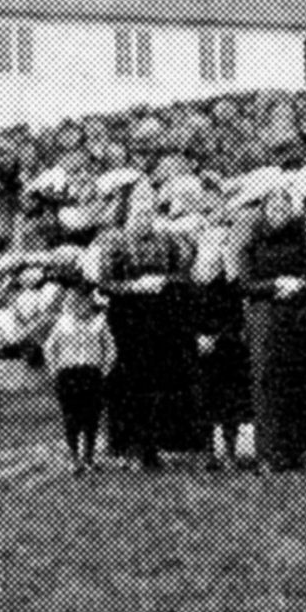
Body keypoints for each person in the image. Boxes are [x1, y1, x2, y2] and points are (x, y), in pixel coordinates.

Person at [84, 196, 193, 469]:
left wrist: (163, 280)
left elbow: (184, 276)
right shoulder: (113, 242)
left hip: (158, 320)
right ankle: (127, 446)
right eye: (138, 214)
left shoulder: (167, 241)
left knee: (156, 382)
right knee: (126, 383)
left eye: (148, 214)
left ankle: (152, 447)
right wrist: (134, 286)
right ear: (128, 216)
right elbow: (103, 283)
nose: (143, 219)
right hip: (126, 319)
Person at [237, 189, 306, 472]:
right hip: (264, 319)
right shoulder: (250, 245)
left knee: (295, 384)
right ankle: (266, 454)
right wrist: (276, 284)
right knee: (266, 384)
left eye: (284, 209)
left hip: (297, 319)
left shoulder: (301, 243)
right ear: (264, 212)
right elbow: (245, 284)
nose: (279, 213)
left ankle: (291, 452)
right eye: (274, 208)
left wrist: (300, 285)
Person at [191, 212, 251, 470]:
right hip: (201, 349)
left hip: (228, 346)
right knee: (204, 400)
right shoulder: (193, 281)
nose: (217, 248)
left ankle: (229, 452)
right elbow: (184, 315)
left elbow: (238, 315)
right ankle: (208, 453)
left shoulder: (232, 282)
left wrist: (219, 337)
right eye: (212, 242)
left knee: (230, 402)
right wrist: (198, 337)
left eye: (223, 243)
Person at [42, 273, 115, 474]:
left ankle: (89, 457)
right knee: (71, 417)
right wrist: (55, 370)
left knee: (91, 416)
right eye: (76, 300)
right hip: (69, 374)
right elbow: (50, 348)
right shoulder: (62, 323)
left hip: (92, 373)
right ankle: (74, 459)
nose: (80, 304)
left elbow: (110, 349)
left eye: (85, 300)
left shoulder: (99, 322)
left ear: (90, 301)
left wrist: (104, 370)